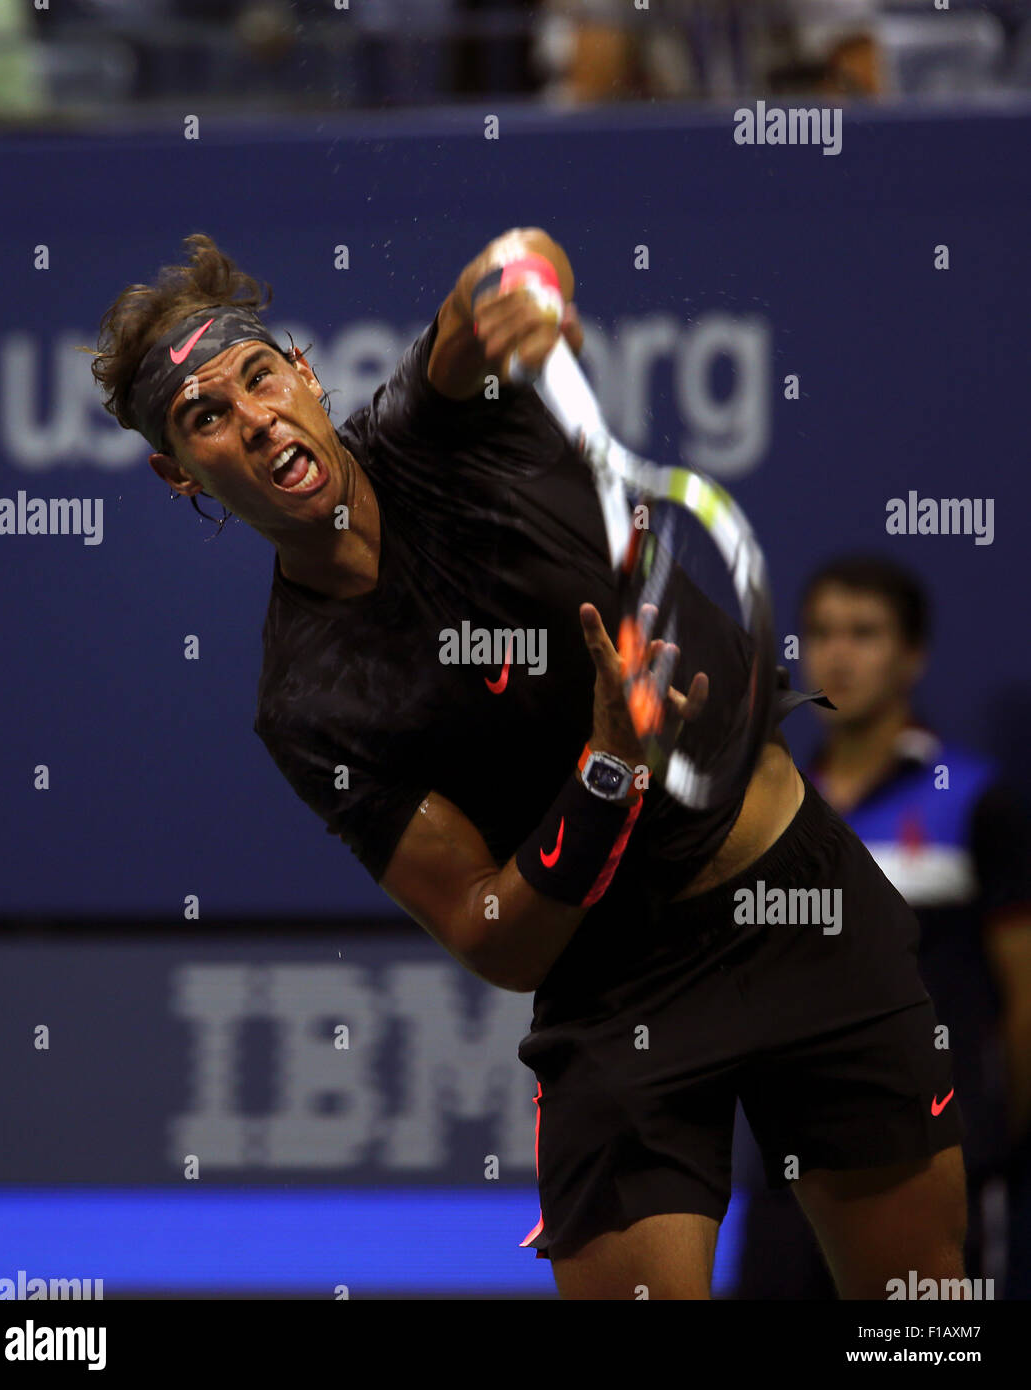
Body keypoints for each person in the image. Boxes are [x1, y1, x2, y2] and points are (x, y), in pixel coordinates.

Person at [89, 229, 967, 1299]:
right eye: (205, 418)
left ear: (306, 373)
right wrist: (606, 770)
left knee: (920, 1313)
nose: (254, 418)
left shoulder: (436, 429)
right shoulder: (310, 705)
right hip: (617, 990)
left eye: (259, 377)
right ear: (178, 475)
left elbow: (491, 280)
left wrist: (527, 282)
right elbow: (486, 931)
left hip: (799, 903)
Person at [732, 556, 1031, 1298]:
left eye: (864, 633)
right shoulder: (774, 813)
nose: (838, 653)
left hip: (931, 1168)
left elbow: (1024, 1002)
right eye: (823, 632)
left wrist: (991, 1145)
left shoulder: (975, 804)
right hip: (790, 1173)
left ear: (913, 656)